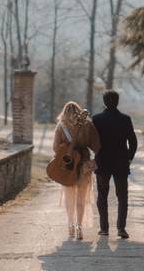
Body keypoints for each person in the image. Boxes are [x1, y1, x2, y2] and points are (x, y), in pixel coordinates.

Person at [91, 90, 138, 239]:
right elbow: (133, 142)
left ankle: (104, 228)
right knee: (122, 196)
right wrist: (129, 158)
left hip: (102, 162)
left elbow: (91, 141)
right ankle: (121, 229)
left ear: (104, 102)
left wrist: (94, 156)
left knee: (102, 196)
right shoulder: (125, 119)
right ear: (117, 101)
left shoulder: (97, 119)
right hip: (121, 163)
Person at [53, 100, 101, 240]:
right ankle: (79, 227)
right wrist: (93, 161)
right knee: (81, 199)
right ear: (79, 111)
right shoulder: (87, 125)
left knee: (69, 199)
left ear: (64, 112)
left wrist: (67, 149)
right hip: (84, 166)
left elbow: (56, 148)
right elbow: (97, 147)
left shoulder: (60, 126)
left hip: (67, 167)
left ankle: (70, 226)